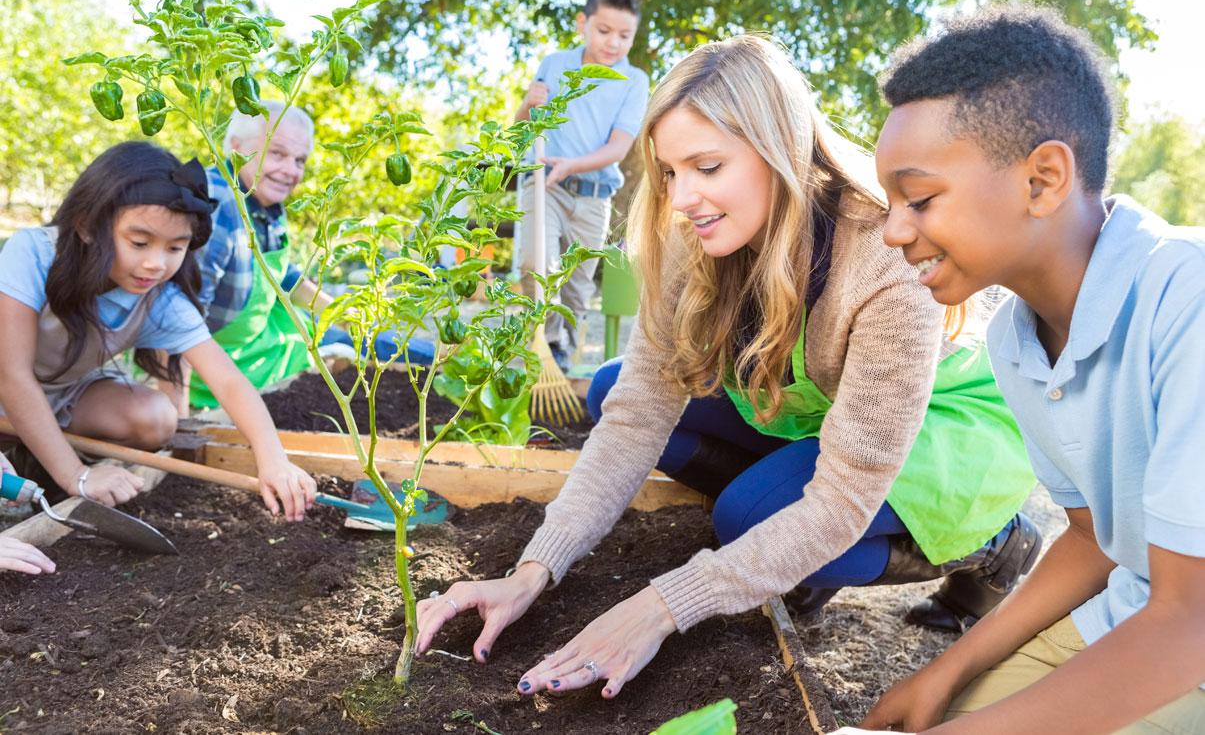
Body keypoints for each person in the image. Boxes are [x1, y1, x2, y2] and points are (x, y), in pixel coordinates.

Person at [414, 35, 1039, 698]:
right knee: (607, 390)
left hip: (940, 427)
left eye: (706, 166)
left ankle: (995, 543)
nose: (682, 197)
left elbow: (844, 496)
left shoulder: (882, 257)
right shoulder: (699, 236)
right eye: (670, 172)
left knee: (746, 518)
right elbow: (635, 417)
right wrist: (533, 567)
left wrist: (655, 608)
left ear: (778, 148)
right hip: (823, 410)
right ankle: (782, 525)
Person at [845, 5, 1205, 734]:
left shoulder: (1186, 303)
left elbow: (1189, 618)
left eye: (917, 198)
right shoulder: (1013, 337)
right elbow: (1091, 536)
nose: (892, 230)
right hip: (1140, 607)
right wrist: (944, 671)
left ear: (1042, 179)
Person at [0, 141, 316, 520]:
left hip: (61, 395)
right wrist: (76, 476)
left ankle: (37, 449)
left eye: (175, 248)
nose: (155, 263)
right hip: (7, 383)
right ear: (87, 225)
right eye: (139, 242)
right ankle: (41, 454)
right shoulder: (33, 254)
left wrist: (273, 459)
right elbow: (12, 376)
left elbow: (229, 381)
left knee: (157, 418)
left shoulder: (159, 299)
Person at [191, 101, 431, 409]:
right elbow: (183, 318)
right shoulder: (219, 204)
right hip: (225, 377)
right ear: (236, 147)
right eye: (276, 153)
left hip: (267, 346)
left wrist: (349, 319)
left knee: (389, 348)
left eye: (300, 160)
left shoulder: (263, 205)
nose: (291, 171)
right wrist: (179, 410)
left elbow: (285, 279)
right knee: (367, 357)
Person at [514, 0, 651, 368]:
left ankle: (563, 357)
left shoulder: (634, 81)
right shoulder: (555, 64)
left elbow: (618, 148)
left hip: (594, 195)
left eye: (625, 35)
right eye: (604, 30)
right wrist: (528, 103)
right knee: (534, 264)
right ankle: (549, 348)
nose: (614, 43)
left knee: (576, 289)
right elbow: (522, 125)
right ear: (582, 23)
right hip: (544, 185)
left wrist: (572, 164)